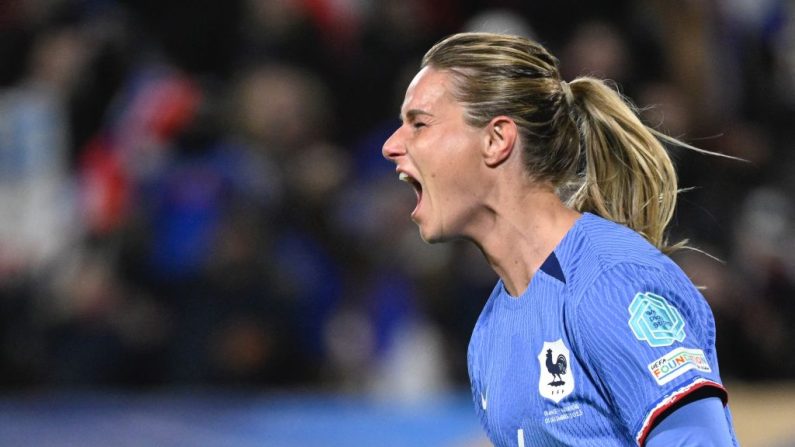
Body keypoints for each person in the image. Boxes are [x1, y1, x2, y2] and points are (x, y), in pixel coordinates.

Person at [382, 32, 737, 446]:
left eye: (419, 124)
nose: (391, 146)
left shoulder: (612, 281)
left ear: (497, 140)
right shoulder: (489, 333)